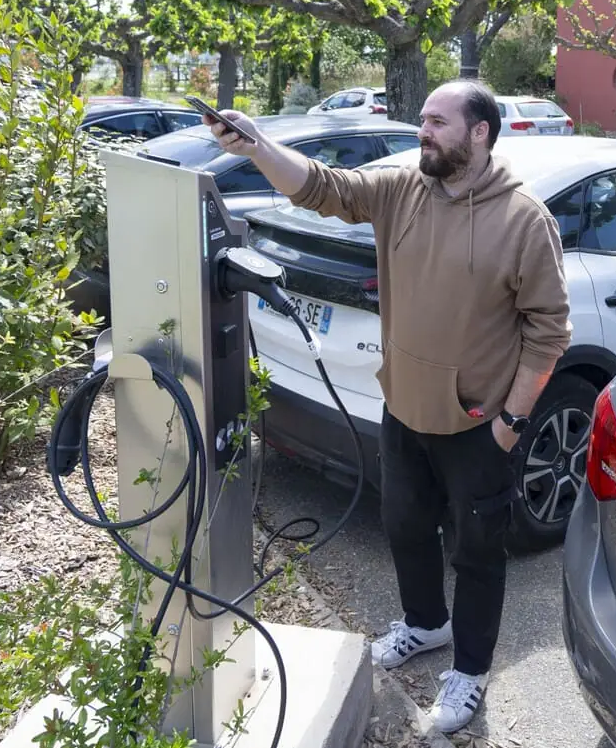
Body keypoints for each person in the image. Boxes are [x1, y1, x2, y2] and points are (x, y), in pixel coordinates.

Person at [203, 81, 571, 733]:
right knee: (404, 526)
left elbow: (549, 330)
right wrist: (257, 145)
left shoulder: (523, 220)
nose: (422, 130)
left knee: (479, 552)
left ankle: (471, 670)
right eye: (422, 119)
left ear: (479, 132)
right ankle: (427, 624)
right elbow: (320, 185)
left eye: (436, 121)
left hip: (480, 425)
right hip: (402, 412)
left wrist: (512, 422)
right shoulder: (402, 191)